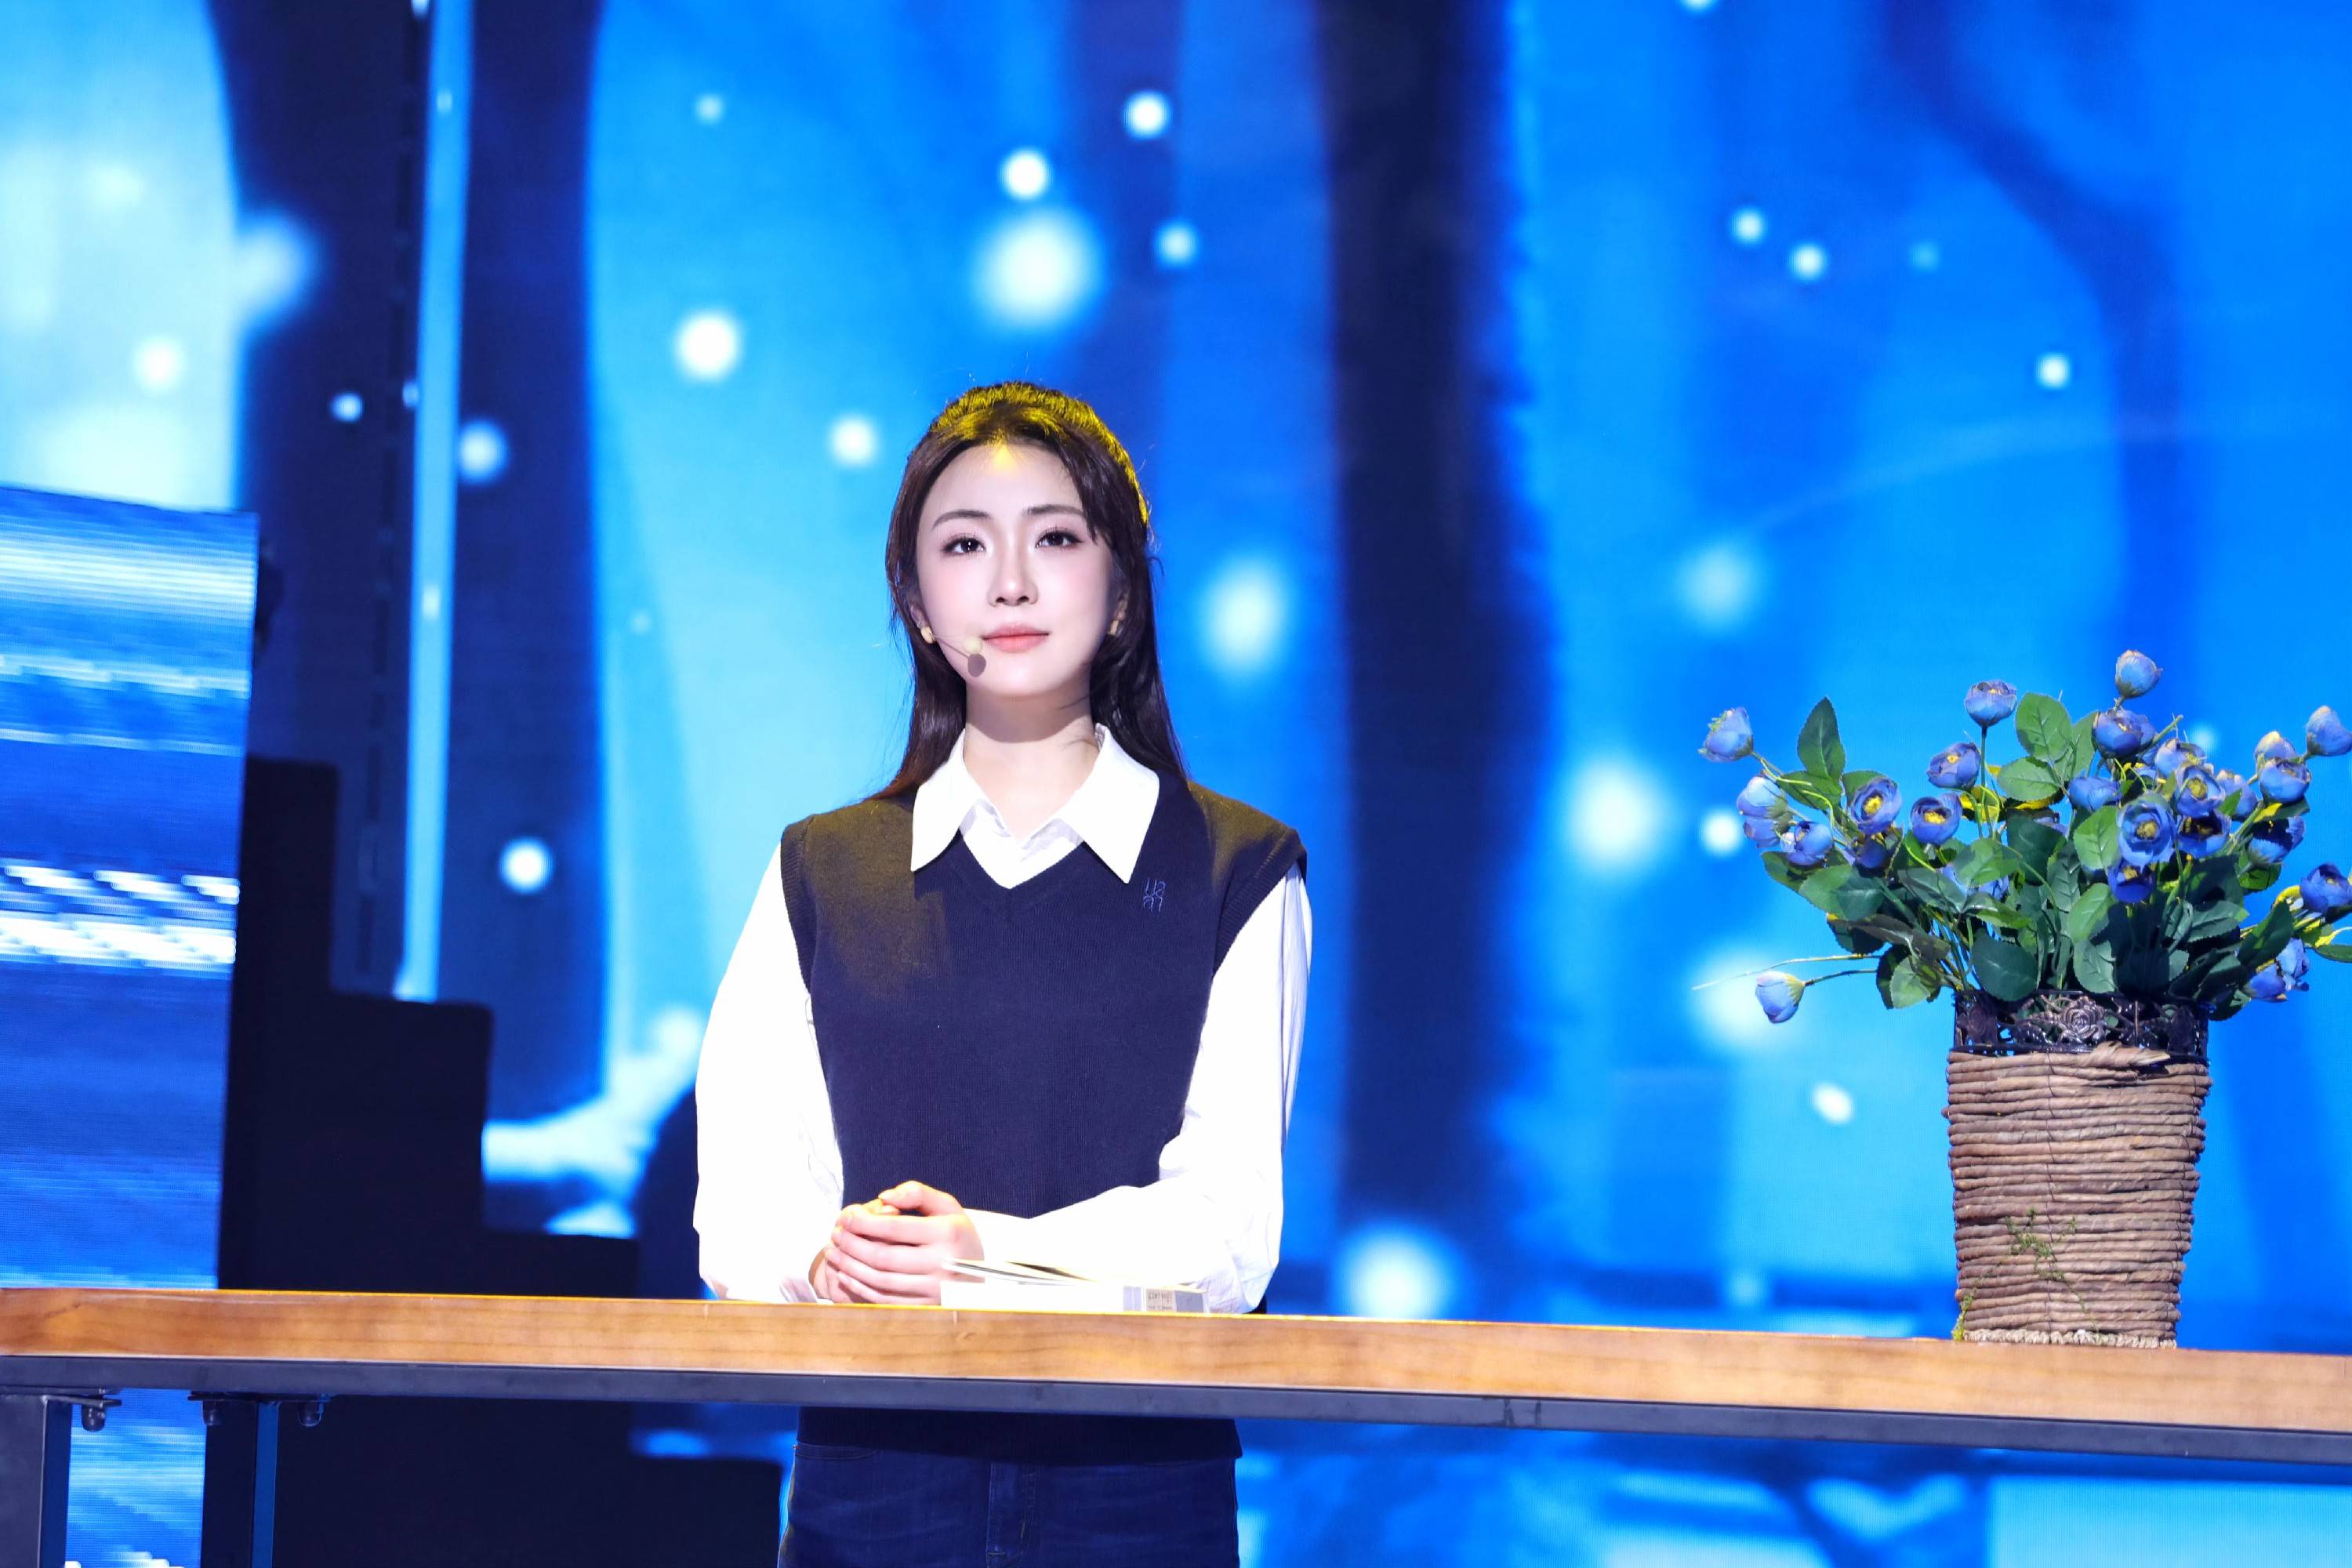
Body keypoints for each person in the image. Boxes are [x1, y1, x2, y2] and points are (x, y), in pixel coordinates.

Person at [691, 380, 1312, 1568]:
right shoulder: (824, 869)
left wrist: (983, 1258)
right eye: (966, 545)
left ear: (1122, 593)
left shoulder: (1238, 869)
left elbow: (1228, 1237)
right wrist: (833, 1259)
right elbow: (745, 1205)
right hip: (873, 1480)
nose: (1011, 583)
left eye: (1058, 539)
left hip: (1136, 1489)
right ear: (917, 602)